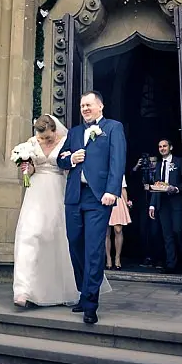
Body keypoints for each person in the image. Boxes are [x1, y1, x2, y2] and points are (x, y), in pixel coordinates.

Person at [58, 91, 127, 324]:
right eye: (82, 105)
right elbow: (60, 159)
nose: (85, 108)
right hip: (74, 197)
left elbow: (118, 160)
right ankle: (83, 291)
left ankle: (90, 302)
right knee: (75, 244)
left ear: (100, 106)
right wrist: (71, 160)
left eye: (88, 104)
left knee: (93, 250)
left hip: (98, 198)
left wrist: (112, 190)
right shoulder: (75, 132)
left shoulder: (113, 128)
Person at [13, 116, 97, 308]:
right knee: (29, 235)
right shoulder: (31, 143)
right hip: (35, 192)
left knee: (56, 238)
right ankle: (23, 290)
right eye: (41, 137)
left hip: (58, 191)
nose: (44, 141)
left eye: (48, 137)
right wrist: (26, 168)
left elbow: (69, 166)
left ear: (54, 130)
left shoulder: (65, 140)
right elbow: (31, 170)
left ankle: (59, 289)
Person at [148, 139, 182, 272]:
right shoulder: (158, 164)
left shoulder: (179, 162)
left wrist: (176, 189)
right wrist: (152, 205)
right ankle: (171, 264)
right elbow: (156, 184)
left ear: (171, 147)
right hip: (162, 202)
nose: (162, 148)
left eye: (164, 146)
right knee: (167, 234)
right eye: (160, 147)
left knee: (178, 231)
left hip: (176, 201)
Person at [105, 176, 132, 270]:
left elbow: (123, 188)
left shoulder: (118, 167)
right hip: (103, 197)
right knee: (105, 231)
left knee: (118, 229)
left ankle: (117, 258)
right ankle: (108, 258)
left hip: (117, 197)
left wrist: (126, 203)